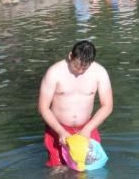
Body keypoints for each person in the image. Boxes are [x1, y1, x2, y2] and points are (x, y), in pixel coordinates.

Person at [38, 40, 113, 168]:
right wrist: (60, 131)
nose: (79, 71)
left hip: (87, 127)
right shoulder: (54, 73)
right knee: (58, 171)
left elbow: (107, 106)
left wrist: (88, 129)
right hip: (58, 128)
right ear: (70, 56)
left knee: (90, 169)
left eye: (84, 68)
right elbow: (43, 108)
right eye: (76, 66)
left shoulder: (99, 73)